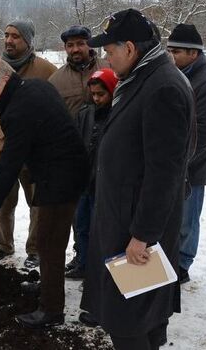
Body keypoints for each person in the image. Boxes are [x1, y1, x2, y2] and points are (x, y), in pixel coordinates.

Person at [80, 9, 195, 350]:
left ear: (129, 48)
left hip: (136, 233)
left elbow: (166, 172)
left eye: (109, 50)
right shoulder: (143, 78)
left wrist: (142, 235)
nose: (106, 56)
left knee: (129, 321)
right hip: (125, 220)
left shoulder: (163, 87)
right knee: (143, 317)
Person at [0, 57, 87, 329]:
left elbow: (10, 161)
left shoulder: (18, 109)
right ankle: (48, 290)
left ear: (4, 79)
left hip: (61, 178)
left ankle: (51, 311)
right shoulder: (35, 87)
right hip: (63, 170)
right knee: (49, 240)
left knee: (49, 243)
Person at [0, 20, 57, 268]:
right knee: (2, 201)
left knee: (37, 203)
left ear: (28, 41)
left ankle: (35, 248)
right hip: (3, 149)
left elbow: (53, 104)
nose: (9, 40)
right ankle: (3, 244)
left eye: (15, 36)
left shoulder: (46, 70)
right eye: (6, 35)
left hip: (35, 154)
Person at [166, 23, 206, 283]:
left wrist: (179, 164)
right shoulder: (175, 75)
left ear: (194, 53)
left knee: (187, 220)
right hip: (171, 163)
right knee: (170, 217)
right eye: (169, 50)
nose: (171, 56)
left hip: (192, 168)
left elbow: (203, 134)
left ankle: (182, 264)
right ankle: (168, 260)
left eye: (177, 51)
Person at [66, 68, 117, 280]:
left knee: (101, 229)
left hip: (104, 185)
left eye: (101, 94)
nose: (97, 99)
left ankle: (99, 269)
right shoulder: (85, 114)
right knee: (81, 225)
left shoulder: (118, 116)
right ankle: (83, 261)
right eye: (93, 94)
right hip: (84, 181)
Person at [49, 25, 109, 116]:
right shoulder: (55, 80)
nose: (75, 49)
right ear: (65, 48)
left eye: (80, 44)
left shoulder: (109, 69)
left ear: (89, 45)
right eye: (70, 45)